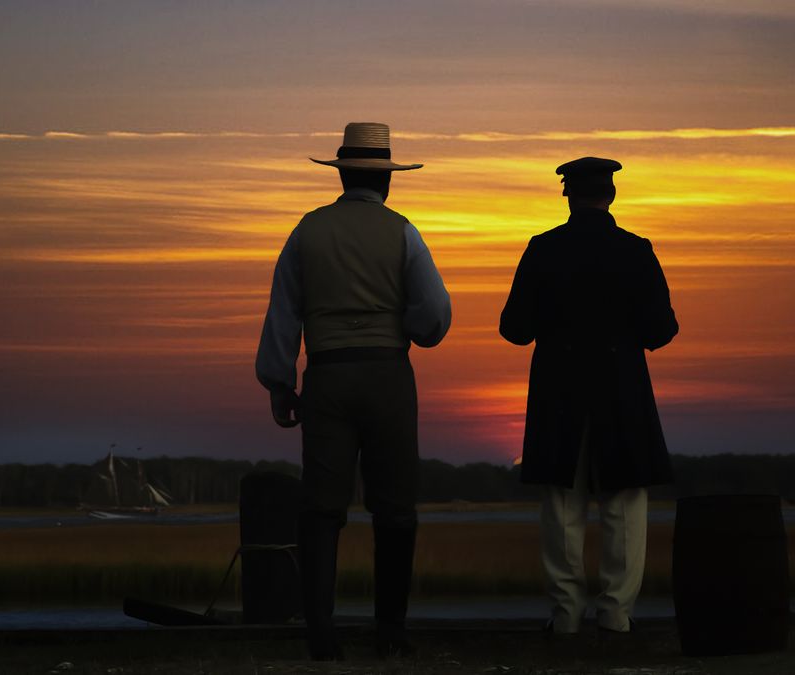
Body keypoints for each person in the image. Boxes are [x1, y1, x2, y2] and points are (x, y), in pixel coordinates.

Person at [255, 122, 451, 660]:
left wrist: (279, 381)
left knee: (321, 508)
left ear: (342, 174)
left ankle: (321, 634)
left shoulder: (307, 231)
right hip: (388, 375)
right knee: (395, 509)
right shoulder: (404, 231)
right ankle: (391, 631)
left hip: (326, 376)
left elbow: (283, 311)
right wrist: (402, 326)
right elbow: (434, 317)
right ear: (387, 180)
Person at [499, 157, 679, 635]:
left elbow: (513, 329)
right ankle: (617, 614)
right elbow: (663, 328)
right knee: (624, 506)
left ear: (567, 194)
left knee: (562, 506)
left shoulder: (543, 250)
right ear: (611, 195)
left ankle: (566, 615)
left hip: (560, 392)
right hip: (622, 391)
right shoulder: (636, 251)